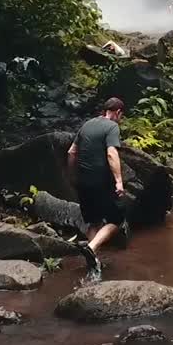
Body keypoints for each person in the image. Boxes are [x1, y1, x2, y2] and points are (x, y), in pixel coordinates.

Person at [67, 97, 127, 274]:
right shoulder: (112, 127)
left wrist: (71, 176)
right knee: (117, 219)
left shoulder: (87, 125)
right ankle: (91, 247)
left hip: (83, 181)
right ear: (117, 112)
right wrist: (118, 181)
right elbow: (111, 153)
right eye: (121, 116)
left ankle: (92, 265)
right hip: (101, 181)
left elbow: (71, 152)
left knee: (94, 221)